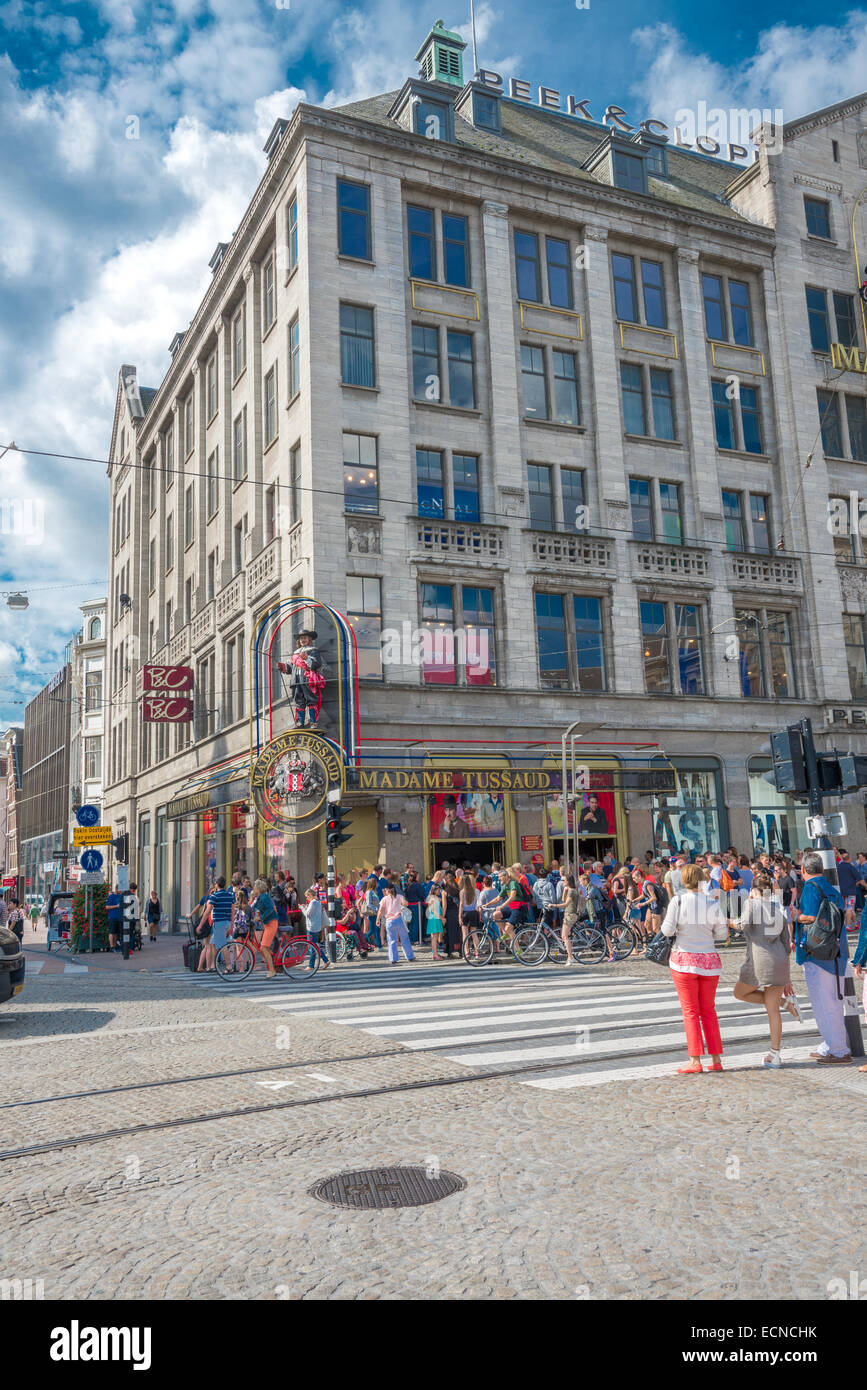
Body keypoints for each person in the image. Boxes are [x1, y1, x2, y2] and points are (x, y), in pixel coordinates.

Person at [660, 863, 727, 1074]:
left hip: (684, 960)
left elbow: (667, 930)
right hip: (709, 960)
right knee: (709, 1011)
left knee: (690, 1012)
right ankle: (716, 1058)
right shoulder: (712, 903)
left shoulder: (677, 902)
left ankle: (695, 1059)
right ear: (702, 880)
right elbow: (722, 934)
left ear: (683, 880)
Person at [733, 874, 799, 1067]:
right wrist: (787, 977)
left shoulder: (752, 905)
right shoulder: (777, 911)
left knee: (740, 992)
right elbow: (787, 945)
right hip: (779, 962)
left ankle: (784, 1003)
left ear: (753, 891)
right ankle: (775, 1054)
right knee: (773, 1011)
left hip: (758, 962)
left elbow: (741, 925)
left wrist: (728, 921)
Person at [792, 852, 850, 1064]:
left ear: (804, 870)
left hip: (817, 955)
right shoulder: (831, 889)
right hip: (837, 952)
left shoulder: (810, 888)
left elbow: (811, 918)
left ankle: (839, 1049)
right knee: (833, 1002)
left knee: (823, 1004)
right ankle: (831, 1045)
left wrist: (795, 916)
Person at [202, 876, 235, 973]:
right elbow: (233, 911)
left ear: (216, 884)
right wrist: (232, 925)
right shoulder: (230, 895)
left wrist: (200, 925)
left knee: (222, 945)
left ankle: (229, 966)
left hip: (219, 923)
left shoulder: (215, 896)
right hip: (227, 922)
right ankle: (213, 965)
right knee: (213, 943)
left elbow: (207, 911)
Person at [376, 883, 416, 965]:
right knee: (404, 938)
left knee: (391, 940)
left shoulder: (384, 899)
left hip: (389, 921)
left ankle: (393, 958)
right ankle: (410, 956)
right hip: (398, 919)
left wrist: (378, 919)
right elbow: (406, 904)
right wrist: (403, 901)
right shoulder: (399, 896)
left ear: (387, 890)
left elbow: (380, 910)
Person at [251, 878, 280, 979]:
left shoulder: (264, 897)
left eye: (254, 888)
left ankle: (272, 970)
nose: (253, 889)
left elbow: (271, 909)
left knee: (263, 948)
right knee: (265, 948)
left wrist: (260, 918)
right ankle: (273, 962)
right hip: (268, 924)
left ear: (258, 888)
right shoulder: (260, 897)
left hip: (271, 923)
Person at [560, 873, 581, 965]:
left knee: (565, 936)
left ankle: (570, 957)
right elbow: (563, 899)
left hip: (570, 914)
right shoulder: (570, 890)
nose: (562, 882)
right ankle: (570, 956)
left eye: (563, 880)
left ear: (568, 881)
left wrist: (553, 905)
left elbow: (565, 904)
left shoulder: (572, 891)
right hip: (568, 913)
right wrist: (564, 891)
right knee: (563, 936)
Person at [458, 872, 480, 948]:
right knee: (474, 933)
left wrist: (459, 916)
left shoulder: (462, 892)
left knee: (465, 934)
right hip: (474, 913)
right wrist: (479, 915)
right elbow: (478, 905)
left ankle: (466, 952)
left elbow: (461, 905)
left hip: (465, 913)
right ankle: (477, 952)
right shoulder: (476, 891)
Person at [106, 885, 122, 952]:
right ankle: (111, 946)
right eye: (120, 890)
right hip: (112, 916)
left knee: (116, 933)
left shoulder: (121, 896)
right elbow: (107, 907)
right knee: (112, 932)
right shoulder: (111, 896)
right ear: (116, 889)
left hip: (119, 917)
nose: (121, 891)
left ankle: (115, 945)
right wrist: (116, 906)